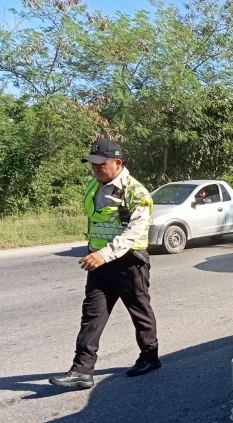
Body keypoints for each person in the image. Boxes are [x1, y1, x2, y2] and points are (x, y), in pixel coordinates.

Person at [50, 138, 161, 389]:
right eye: (93, 163)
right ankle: (82, 370)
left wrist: (103, 254)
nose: (95, 168)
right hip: (100, 263)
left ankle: (150, 356)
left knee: (140, 311)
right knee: (92, 315)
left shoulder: (137, 193)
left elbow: (134, 232)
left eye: (101, 164)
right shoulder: (94, 185)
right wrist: (95, 252)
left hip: (129, 262)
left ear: (118, 163)